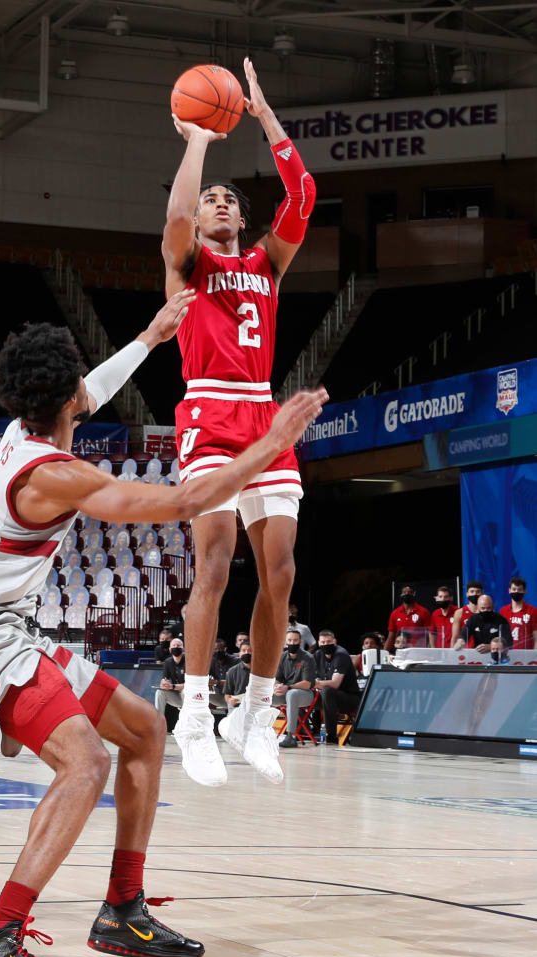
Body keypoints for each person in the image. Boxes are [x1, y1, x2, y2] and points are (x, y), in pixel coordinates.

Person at [0, 290, 328, 957]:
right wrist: (269, 445)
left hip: (6, 625)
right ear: (66, 402)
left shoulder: (25, 427)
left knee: (143, 730)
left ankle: (121, 912)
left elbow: (96, 386)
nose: (87, 395)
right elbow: (183, 502)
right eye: (78, 391)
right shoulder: (54, 475)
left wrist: (150, 336)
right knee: (84, 763)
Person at [163, 56, 320, 788]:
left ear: (242, 218)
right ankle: (196, 715)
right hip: (208, 410)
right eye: (211, 199)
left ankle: (254, 713)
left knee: (280, 572)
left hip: (263, 413)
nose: (220, 202)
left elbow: (304, 193)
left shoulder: (266, 264)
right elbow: (175, 220)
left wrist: (263, 117)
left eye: (229, 198)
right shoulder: (188, 262)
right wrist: (197, 142)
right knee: (218, 564)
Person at [314, 629, 361, 745]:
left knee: (327, 691)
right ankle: (301, 732)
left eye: (329, 642)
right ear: (319, 643)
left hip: (349, 697)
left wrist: (315, 683)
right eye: (323, 642)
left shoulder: (341, 655)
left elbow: (335, 684)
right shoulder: (317, 655)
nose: (326, 645)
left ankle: (331, 735)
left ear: (334, 642)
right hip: (327, 697)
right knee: (299, 691)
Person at [274, 629, 316, 748]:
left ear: (300, 642)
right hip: (286, 692)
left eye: (295, 640)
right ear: (285, 642)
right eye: (290, 640)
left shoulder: (308, 658)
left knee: (291, 694)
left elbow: (307, 684)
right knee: (264, 694)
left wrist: (288, 687)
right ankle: (258, 734)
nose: (292, 643)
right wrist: (276, 687)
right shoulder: (282, 657)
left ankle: (290, 737)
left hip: (306, 694)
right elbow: (278, 678)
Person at [385, 585, 431, 650]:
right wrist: (384, 652)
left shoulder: (424, 612)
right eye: (404, 592)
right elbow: (391, 636)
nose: (407, 594)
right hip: (400, 649)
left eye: (410, 592)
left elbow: (430, 634)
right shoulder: (395, 613)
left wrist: (430, 651)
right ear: (401, 595)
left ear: (414, 594)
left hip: (418, 650)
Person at [499, 577, 537, 650]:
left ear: (525, 591)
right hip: (507, 653)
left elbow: (536, 636)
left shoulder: (533, 611)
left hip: (526, 654)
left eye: (519, 589)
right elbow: (500, 636)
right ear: (509, 591)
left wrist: (535, 655)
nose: (516, 592)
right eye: (514, 589)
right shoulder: (503, 611)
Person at [154, 637, 185, 716]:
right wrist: (164, 684)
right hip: (176, 695)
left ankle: (186, 717)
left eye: (178, 645)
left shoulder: (188, 661)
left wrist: (173, 686)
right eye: (174, 645)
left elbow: (191, 685)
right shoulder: (167, 662)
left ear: (183, 649)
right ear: (170, 649)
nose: (176, 647)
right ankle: (159, 719)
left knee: (185, 690)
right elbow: (165, 679)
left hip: (189, 696)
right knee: (159, 692)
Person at [450, 580, 483, 647]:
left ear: (482, 593)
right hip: (465, 651)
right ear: (467, 594)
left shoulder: (487, 611)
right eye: (472, 591)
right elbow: (455, 636)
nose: (475, 594)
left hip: (482, 650)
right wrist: (452, 652)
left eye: (478, 591)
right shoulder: (459, 612)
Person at [223, 640, 253, 708]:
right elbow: (227, 694)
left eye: (250, 650)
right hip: (238, 705)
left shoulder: (261, 670)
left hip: (256, 705)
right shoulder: (232, 671)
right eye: (243, 650)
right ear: (239, 653)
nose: (246, 653)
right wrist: (229, 700)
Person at [208, 638, 236, 710]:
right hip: (220, 694)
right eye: (215, 649)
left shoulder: (235, 661)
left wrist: (217, 682)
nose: (217, 651)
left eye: (220, 649)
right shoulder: (211, 661)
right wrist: (207, 682)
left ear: (225, 649)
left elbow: (236, 682)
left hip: (234, 695)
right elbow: (204, 676)